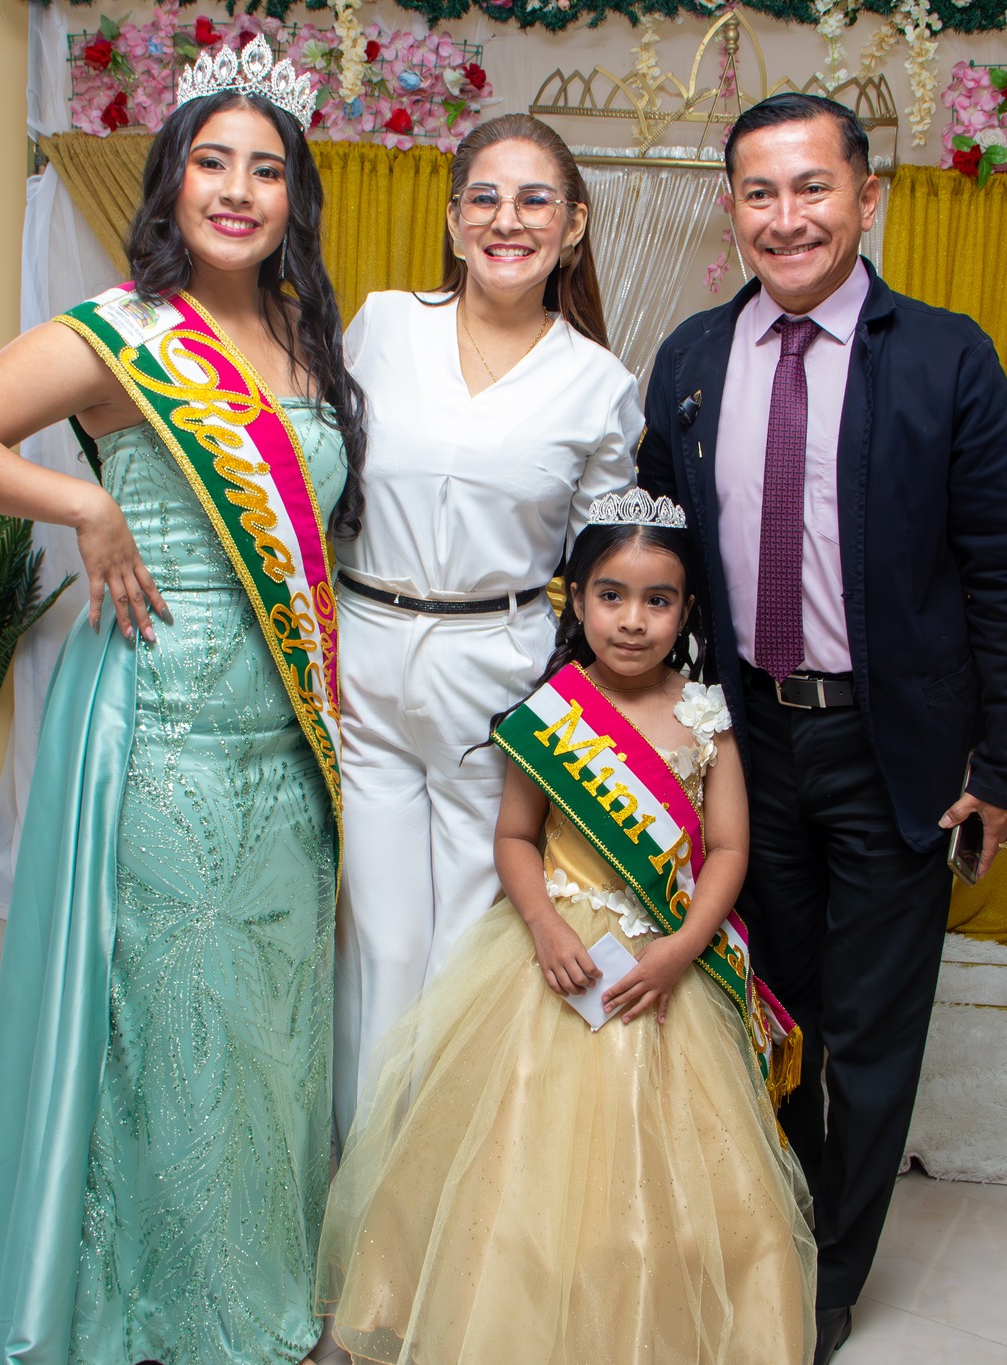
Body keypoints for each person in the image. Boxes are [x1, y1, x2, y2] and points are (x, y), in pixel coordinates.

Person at [0, 40, 364, 1365]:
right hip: (161, 727)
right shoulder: (120, 333)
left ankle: (262, 1286)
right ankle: (171, 1311)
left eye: (266, 170)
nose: (239, 190)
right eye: (212, 162)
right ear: (171, 184)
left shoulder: (306, 339)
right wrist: (82, 502)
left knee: (271, 1025)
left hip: (286, 737)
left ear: (293, 198)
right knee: (173, 1020)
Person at [637, 92, 1007, 1362]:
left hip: (891, 750)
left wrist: (1002, 767)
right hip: (744, 743)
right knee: (765, 1001)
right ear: (730, 209)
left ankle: (824, 1275)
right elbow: (654, 562)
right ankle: (773, 1211)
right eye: (759, 193)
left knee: (870, 1029)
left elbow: (1004, 573)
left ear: (866, 197)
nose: (786, 217)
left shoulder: (943, 357)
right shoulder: (692, 357)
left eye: (811, 187)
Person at [318, 492, 816, 1364]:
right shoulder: (555, 711)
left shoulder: (706, 716)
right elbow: (515, 837)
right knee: (519, 1163)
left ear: (686, 611)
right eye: (611, 595)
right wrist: (544, 925)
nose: (633, 620)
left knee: (672, 1171)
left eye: (658, 600)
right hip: (554, 958)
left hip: (665, 957)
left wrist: (682, 948)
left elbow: (731, 849)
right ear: (575, 598)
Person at [333, 113, 639, 1137]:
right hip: (365, 652)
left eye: (535, 199)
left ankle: (437, 1168)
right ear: (454, 219)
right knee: (382, 940)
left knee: (467, 936)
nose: (508, 220)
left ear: (573, 225)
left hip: (497, 668)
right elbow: (315, 474)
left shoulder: (598, 383)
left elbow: (605, 566)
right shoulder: (383, 325)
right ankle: (362, 1169)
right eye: (486, 198)